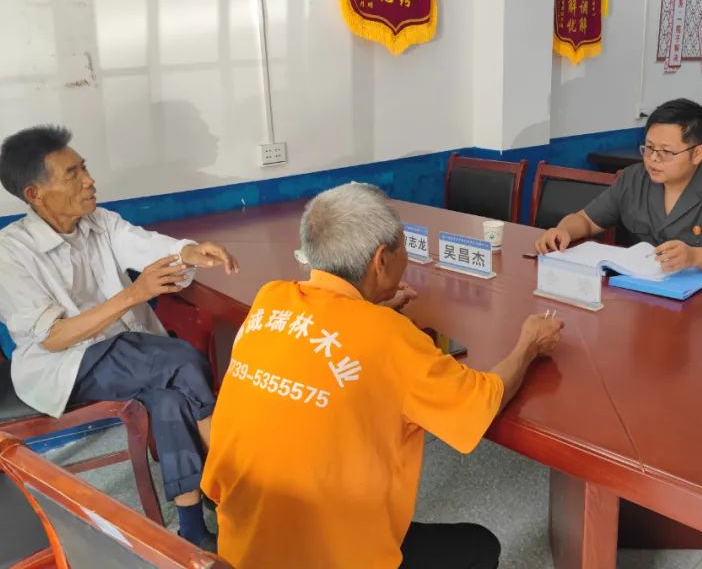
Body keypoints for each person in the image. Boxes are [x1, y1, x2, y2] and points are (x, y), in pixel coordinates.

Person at [201, 183, 564, 569]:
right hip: (329, 557)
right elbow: (481, 403)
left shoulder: (270, 298)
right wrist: (529, 345)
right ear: (381, 259)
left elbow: (330, 334)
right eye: (402, 248)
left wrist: (369, 308)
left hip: (243, 543)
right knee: (481, 546)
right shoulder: (388, 336)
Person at [0, 125, 239, 549]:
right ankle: (236, 490)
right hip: (63, 364)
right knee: (181, 360)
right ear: (34, 194)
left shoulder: (97, 222)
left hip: (124, 350)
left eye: (84, 168)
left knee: (169, 397)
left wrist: (189, 251)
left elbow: (144, 244)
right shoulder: (4, 255)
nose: (89, 180)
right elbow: (54, 339)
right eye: (72, 174)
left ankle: (192, 527)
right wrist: (135, 293)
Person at [536, 98, 702, 275]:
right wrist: (563, 231)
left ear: (697, 153)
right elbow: (586, 220)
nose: (653, 158)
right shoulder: (633, 178)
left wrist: (694, 257)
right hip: (637, 293)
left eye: (666, 152)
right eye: (649, 148)